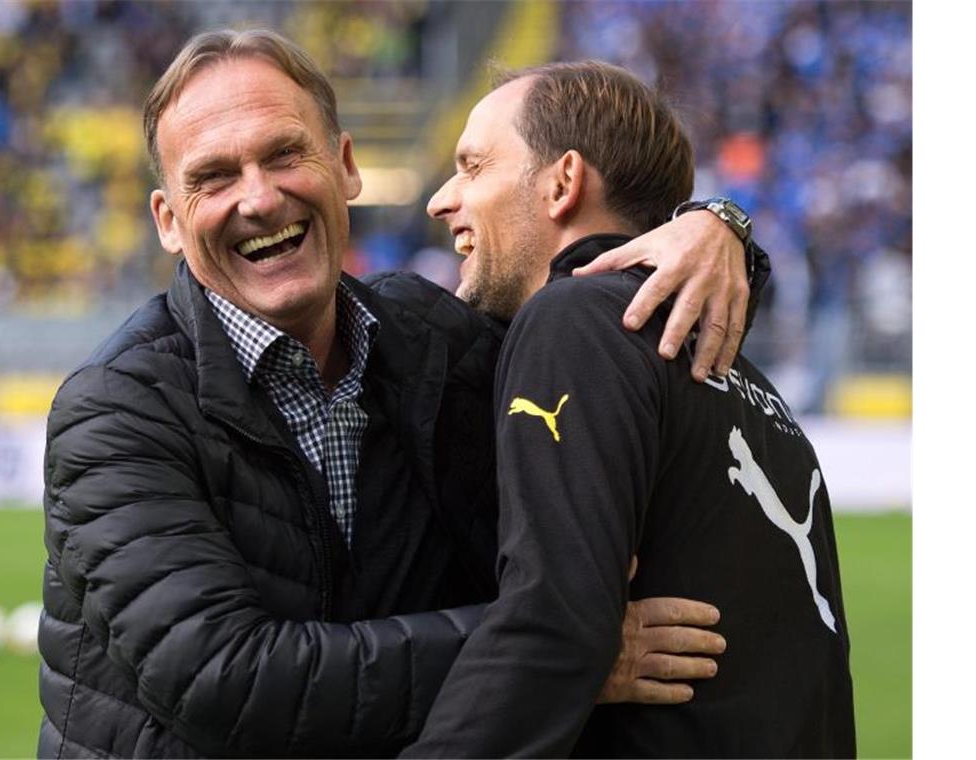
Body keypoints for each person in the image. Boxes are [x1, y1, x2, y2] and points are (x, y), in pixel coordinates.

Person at [38, 30, 762, 758]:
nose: (258, 198)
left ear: (346, 166)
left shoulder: (434, 336)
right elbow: (227, 680)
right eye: (215, 178)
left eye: (285, 155)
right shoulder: (114, 412)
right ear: (168, 220)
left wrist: (717, 230)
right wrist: (561, 645)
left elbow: (614, 322)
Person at [402, 60, 855, 758]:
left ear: (563, 182)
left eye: (472, 165)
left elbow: (552, 624)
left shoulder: (573, 321)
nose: (441, 199)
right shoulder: (757, 390)